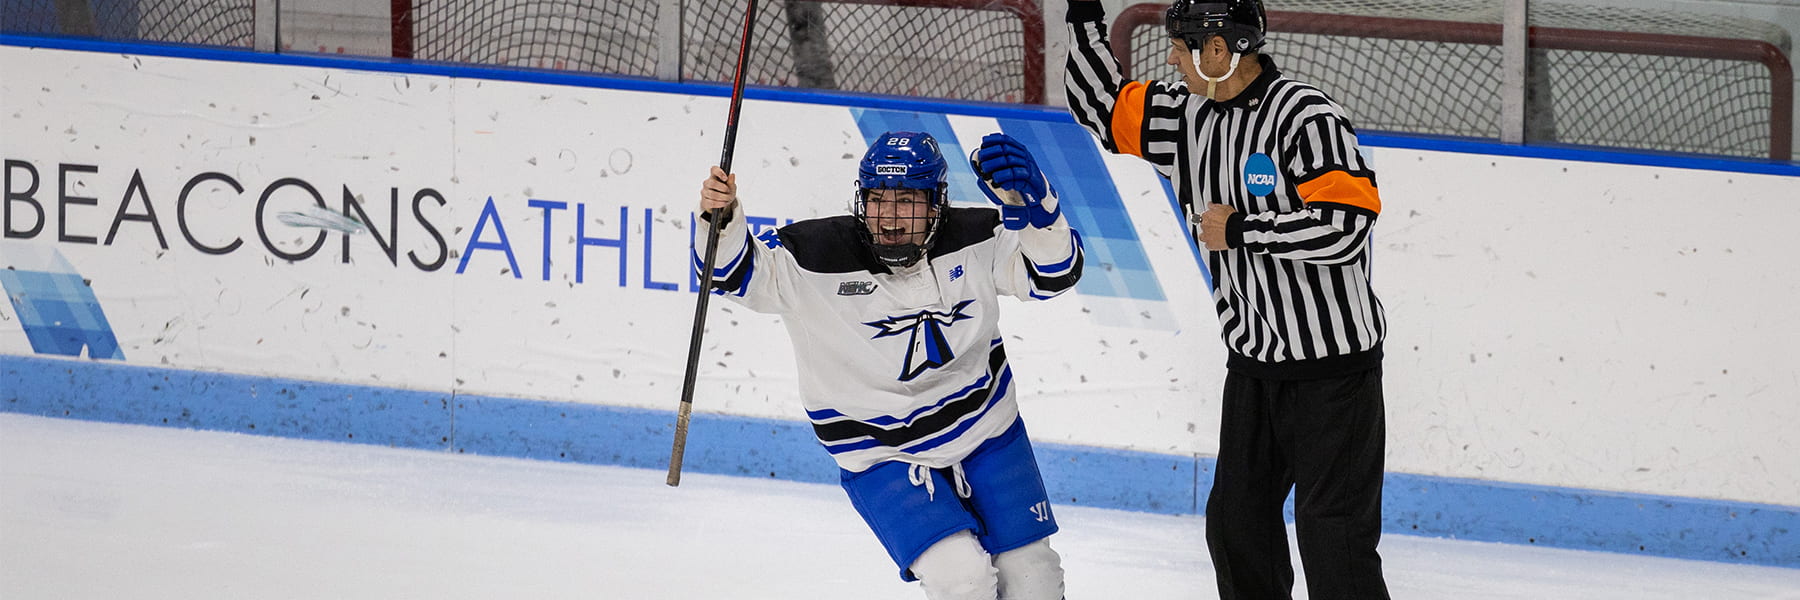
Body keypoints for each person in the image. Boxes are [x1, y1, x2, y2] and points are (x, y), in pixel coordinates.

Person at [1064, 1, 1391, 599]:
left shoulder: (1305, 116)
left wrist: (1243, 229)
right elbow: (1101, 105)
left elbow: (1347, 225)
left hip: (1334, 373)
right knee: (1238, 528)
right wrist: (1084, 12)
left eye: (1181, 48)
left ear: (1220, 49)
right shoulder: (1184, 116)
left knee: (1332, 536)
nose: (1170, 58)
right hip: (1253, 369)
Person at [693, 130, 1084, 600]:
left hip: (986, 430)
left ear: (937, 204)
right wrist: (720, 217)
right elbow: (727, 273)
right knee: (961, 580)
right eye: (877, 199)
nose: (889, 218)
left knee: (1034, 578)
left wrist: (1041, 212)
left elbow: (1054, 275)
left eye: (905, 201)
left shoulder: (977, 235)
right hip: (880, 451)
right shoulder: (812, 255)